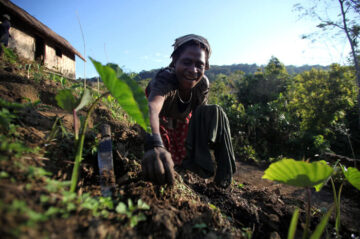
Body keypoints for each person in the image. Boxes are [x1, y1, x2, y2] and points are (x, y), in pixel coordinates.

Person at [142, 34, 236, 188]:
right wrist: (155, 144)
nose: (193, 70)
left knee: (215, 112)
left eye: (199, 65)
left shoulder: (202, 84)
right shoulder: (166, 78)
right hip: (157, 125)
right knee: (163, 164)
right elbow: (151, 108)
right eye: (186, 62)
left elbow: (200, 117)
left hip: (183, 125)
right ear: (175, 62)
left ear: (205, 67)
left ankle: (221, 177)